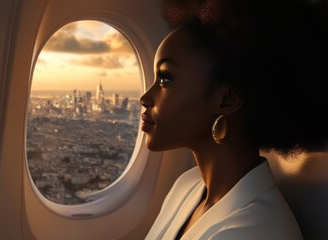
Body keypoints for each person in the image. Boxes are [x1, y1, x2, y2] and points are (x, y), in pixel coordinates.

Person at [140, 0, 328, 239]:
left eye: (165, 79)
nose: (145, 97)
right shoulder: (188, 186)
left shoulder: (254, 231)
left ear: (228, 100)